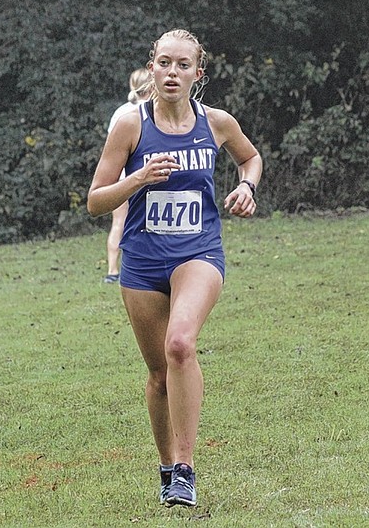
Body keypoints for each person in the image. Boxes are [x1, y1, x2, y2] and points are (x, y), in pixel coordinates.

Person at [87, 29, 262, 507]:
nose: (172, 72)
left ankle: (185, 467)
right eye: (164, 63)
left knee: (181, 343)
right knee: (160, 374)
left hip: (198, 252)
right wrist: (138, 177)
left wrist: (247, 187)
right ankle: (167, 468)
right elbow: (95, 201)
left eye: (183, 65)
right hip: (142, 260)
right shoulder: (130, 124)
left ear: (197, 74)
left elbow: (250, 158)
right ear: (153, 67)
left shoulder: (216, 122)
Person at [103, 68, 151, 284]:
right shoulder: (154, 111)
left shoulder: (120, 112)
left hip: (122, 179)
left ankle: (112, 271)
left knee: (119, 223)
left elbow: (110, 150)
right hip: (149, 177)